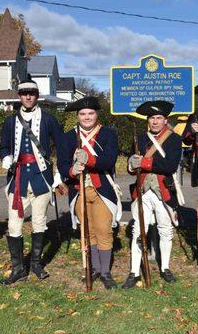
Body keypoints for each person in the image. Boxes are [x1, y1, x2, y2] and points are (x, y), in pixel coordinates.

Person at [0, 78, 65, 285]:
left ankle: (35, 264)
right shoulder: (10, 121)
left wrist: (59, 176)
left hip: (41, 178)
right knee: (14, 225)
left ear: (37, 96)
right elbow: (3, 147)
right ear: (19, 96)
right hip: (17, 180)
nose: (28, 97)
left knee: (39, 222)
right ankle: (18, 269)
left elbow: (61, 147)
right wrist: (6, 157)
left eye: (32, 93)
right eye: (24, 93)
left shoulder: (49, 119)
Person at [58, 96, 121, 289]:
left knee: (103, 229)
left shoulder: (108, 134)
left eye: (90, 113)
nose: (87, 117)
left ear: (96, 114)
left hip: (102, 188)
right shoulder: (68, 137)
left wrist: (89, 160)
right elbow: (62, 165)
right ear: (77, 116)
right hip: (79, 190)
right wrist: (71, 171)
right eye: (83, 114)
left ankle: (105, 272)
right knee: (88, 231)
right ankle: (93, 268)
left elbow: (109, 160)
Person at [122, 101, 183, 289]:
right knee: (138, 231)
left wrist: (144, 163)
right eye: (152, 118)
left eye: (158, 118)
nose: (155, 121)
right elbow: (132, 168)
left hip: (163, 190)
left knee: (165, 229)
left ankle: (165, 268)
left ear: (165, 119)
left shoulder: (174, 139)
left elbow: (169, 166)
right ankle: (134, 272)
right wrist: (132, 164)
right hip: (142, 190)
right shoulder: (140, 138)